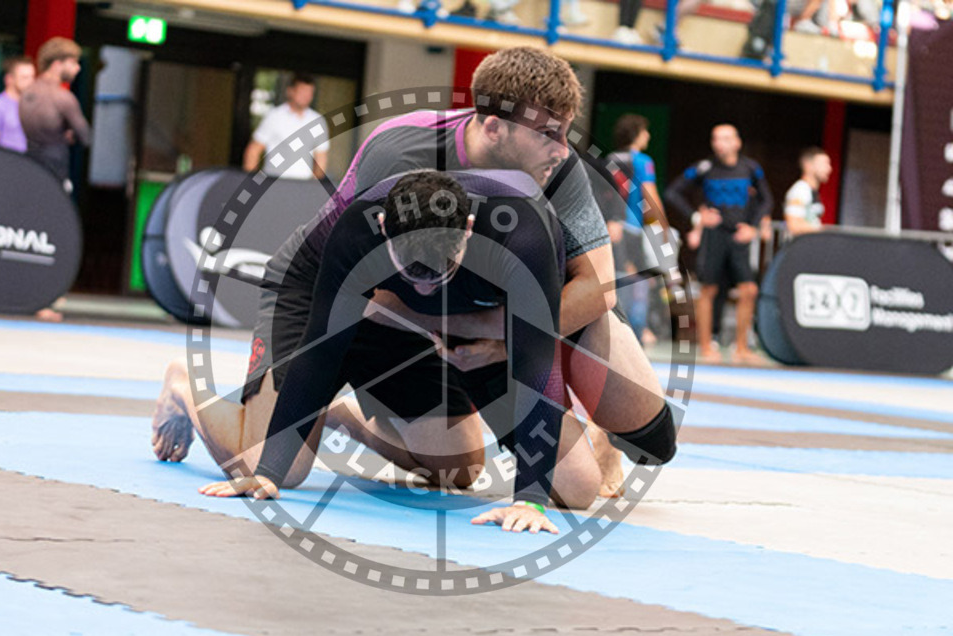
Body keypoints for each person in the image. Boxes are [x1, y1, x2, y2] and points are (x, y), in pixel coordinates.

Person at [152, 47, 676, 531]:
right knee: (271, 470)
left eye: (565, 132)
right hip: (345, 296)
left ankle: (347, 417)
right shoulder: (400, 160)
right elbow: (353, 304)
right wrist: (272, 461)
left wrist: (497, 340)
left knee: (465, 470)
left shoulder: (551, 178)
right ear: (493, 127)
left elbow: (598, 289)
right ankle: (186, 387)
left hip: (447, 303)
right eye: (547, 134)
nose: (563, 150)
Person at [665, 123, 773, 364]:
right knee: (708, 289)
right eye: (715, 139)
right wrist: (696, 216)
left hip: (738, 236)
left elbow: (766, 200)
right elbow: (672, 192)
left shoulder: (751, 169)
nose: (719, 143)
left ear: (737, 142)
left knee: (749, 290)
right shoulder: (704, 168)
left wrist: (753, 227)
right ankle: (705, 346)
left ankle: (742, 348)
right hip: (713, 236)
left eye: (725, 139)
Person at [606, 114, 668, 346]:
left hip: (613, 226)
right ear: (636, 134)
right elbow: (650, 196)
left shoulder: (610, 157)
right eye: (645, 131)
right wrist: (662, 227)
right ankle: (636, 331)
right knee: (639, 279)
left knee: (619, 277)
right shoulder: (642, 160)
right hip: (631, 226)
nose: (648, 135)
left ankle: (621, 330)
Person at [19, 37, 91, 191]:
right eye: (73, 62)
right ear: (57, 64)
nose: (78, 68)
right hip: (55, 170)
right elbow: (85, 136)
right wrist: (69, 133)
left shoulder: (26, 93)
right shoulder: (63, 98)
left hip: (28, 164)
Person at [242, 73, 329, 181]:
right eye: (302, 92)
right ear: (290, 91)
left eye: (309, 93)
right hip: (273, 183)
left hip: (303, 187)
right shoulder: (274, 116)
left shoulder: (318, 121)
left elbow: (321, 157)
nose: (306, 96)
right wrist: (252, 181)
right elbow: (253, 151)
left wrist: (315, 187)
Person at [0, 56, 35, 152]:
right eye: (24, 77)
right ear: (9, 79)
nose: (30, 81)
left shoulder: (32, 106)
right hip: (5, 164)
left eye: (32, 77)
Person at [784, 146, 831, 236]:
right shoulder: (799, 190)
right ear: (808, 165)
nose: (828, 169)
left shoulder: (811, 191)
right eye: (824, 164)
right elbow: (793, 225)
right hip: (798, 247)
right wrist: (821, 230)